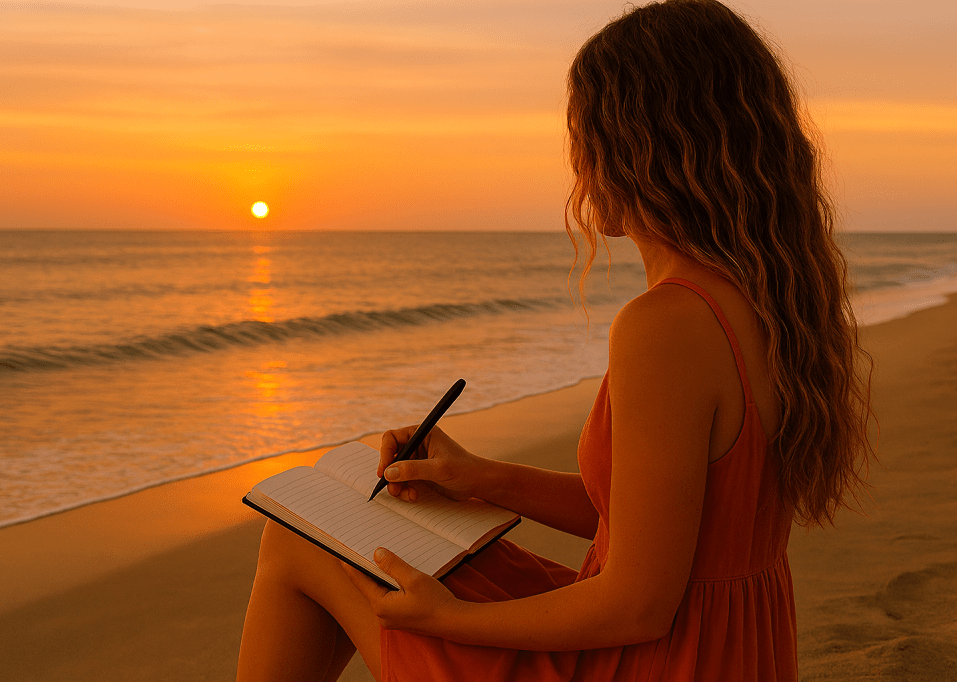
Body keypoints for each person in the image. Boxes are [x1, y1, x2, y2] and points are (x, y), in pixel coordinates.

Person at [236, 1, 875, 680]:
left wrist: (446, 619)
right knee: (331, 544)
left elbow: (637, 606)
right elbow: (665, 522)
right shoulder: (765, 302)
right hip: (731, 652)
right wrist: (478, 478)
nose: (580, 170)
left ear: (637, 148)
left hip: (652, 661)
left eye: (585, 138)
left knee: (300, 541)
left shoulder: (666, 326)